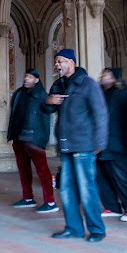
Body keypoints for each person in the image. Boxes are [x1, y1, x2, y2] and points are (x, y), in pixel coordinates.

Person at [42, 49, 108, 243]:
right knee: (67, 190)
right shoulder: (58, 85)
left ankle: (97, 229)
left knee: (87, 189)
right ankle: (74, 228)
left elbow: (101, 114)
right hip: (66, 146)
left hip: (84, 145)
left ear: (71, 62)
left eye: (60, 61)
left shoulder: (88, 84)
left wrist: (100, 143)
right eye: (55, 62)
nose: (56, 65)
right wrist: (48, 100)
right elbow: (45, 109)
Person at [7, 68, 56, 213]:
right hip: (19, 138)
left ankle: (50, 202)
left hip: (35, 140)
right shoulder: (19, 94)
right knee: (23, 170)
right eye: (25, 76)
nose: (26, 79)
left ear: (36, 80)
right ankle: (28, 198)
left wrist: (40, 139)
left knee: (42, 170)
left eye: (29, 77)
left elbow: (47, 114)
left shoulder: (42, 95)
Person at [97, 68, 127, 222]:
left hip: (117, 145)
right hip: (100, 145)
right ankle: (112, 206)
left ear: (114, 79)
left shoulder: (122, 96)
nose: (103, 77)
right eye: (103, 74)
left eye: (107, 75)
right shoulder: (99, 94)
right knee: (102, 177)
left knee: (122, 178)